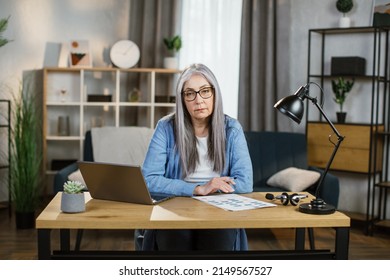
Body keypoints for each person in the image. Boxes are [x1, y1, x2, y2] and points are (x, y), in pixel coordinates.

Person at [141, 63, 253, 251]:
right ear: (182, 99)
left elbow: (245, 182)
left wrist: (212, 189)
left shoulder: (232, 128)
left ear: (215, 93)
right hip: (176, 205)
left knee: (219, 238)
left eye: (205, 91)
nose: (198, 100)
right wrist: (197, 189)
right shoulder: (166, 127)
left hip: (220, 207)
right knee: (173, 237)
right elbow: (148, 179)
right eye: (190, 93)